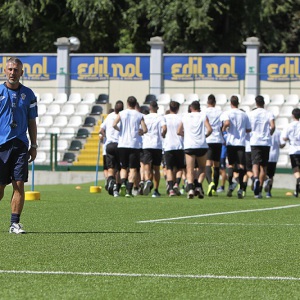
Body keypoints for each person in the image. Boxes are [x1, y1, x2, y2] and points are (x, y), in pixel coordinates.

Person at [0, 57, 38, 234]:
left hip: (21, 145)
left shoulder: (29, 94)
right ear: (4, 71)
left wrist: (34, 145)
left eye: (16, 70)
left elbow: (32, 121)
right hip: (1, 146)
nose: (12, 73)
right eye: (10, 69)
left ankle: (14, 223)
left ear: (22, 72)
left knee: (19, 184)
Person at [113, 96, 147, 197]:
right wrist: (141, 132)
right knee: (133, 168)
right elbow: (145, 129)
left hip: (123, 144)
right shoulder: (139, 115)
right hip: (134, 144)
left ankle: (123, 183)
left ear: (127, 103)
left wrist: (121, 130)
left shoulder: (122, 113)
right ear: (135, 104)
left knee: (123, 167)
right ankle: (129, 189)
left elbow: (114, 124)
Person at [178, 100, 212, 199]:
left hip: (189, 145)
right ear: (199, 108)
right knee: (202, 168)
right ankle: (198, 185)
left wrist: (186, 135)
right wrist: (205, 136)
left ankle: (190, 188)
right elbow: (209, 129)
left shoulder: (185, 116)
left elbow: (178, 131)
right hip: (201, 145)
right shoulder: (203, 116)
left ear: (191, 108)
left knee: (189, 169)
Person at [222, 95, 251, 199]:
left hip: (231, 142)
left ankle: (231, 185)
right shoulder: (244, 114)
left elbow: (227, 122)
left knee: (230, 165)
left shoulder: (227, 113)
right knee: (241, 165)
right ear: (238, 103)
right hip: (241, 143)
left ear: (231, 103)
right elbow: (248, 129)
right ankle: (241, 188)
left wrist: (224, 129)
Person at [248, 95, 275, 198]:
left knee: (255, 163)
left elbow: (248, 127)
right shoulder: (269, 113)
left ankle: (255, 179)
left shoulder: (251, 114)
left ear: (256, 103)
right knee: (263, 166)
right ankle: (259, 189)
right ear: (264, 103)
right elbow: (273, 126)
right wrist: (269, 134)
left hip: (255, 141)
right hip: (265, 142)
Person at [141, 100, 167, 197]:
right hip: (157, 145)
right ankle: (155, 190)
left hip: (147, 145)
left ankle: (148, 180)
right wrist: (163, 134)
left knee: (147, 167)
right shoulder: (160, 117)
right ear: (157, 108)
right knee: (156, 168)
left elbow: (141, 129)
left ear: (149, 108)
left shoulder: (145, 117)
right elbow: (164, 128)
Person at [99, 101, 124, 197]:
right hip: (119, 144)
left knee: (110, 168)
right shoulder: (122, 117)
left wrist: (105, 136)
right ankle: (116, 189)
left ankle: (110, 181)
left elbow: (101, 130)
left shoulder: (109, 116)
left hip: (109, 145)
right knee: (118, 169)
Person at [163, 100, 185, 196]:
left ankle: (171, 189)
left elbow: (163, 130)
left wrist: (163, 135)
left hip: (168, 146)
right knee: (180, 168)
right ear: (178, 108)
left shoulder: (164, 118)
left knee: (169, 168)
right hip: (179, 145)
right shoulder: (181, 118)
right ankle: (176, 184)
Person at [205, 94, 223, 196]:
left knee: (208, 163)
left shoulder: (205, 112)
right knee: (216, 164)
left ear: (208, 102)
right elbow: (225, 122)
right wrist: (222, 129)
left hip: (208, 139)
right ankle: (215, 187)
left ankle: (210, 183)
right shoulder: (220, 111)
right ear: (215, 103)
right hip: (218, 140)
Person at [282, 108, 300, 197]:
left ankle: (298, 181)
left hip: (294, 151)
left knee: (296, 171)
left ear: (293, 115)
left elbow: (284, 138)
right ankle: (297, 191)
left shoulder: (289, 126)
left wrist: (289, 138)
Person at [264, 128, 285, 198]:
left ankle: (260, 190)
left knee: (261, 172)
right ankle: (268, 192)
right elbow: (282, 144)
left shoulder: (264, 130)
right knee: (271, 175)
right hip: (274, 156)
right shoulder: (278, 132)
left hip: (264, 154)